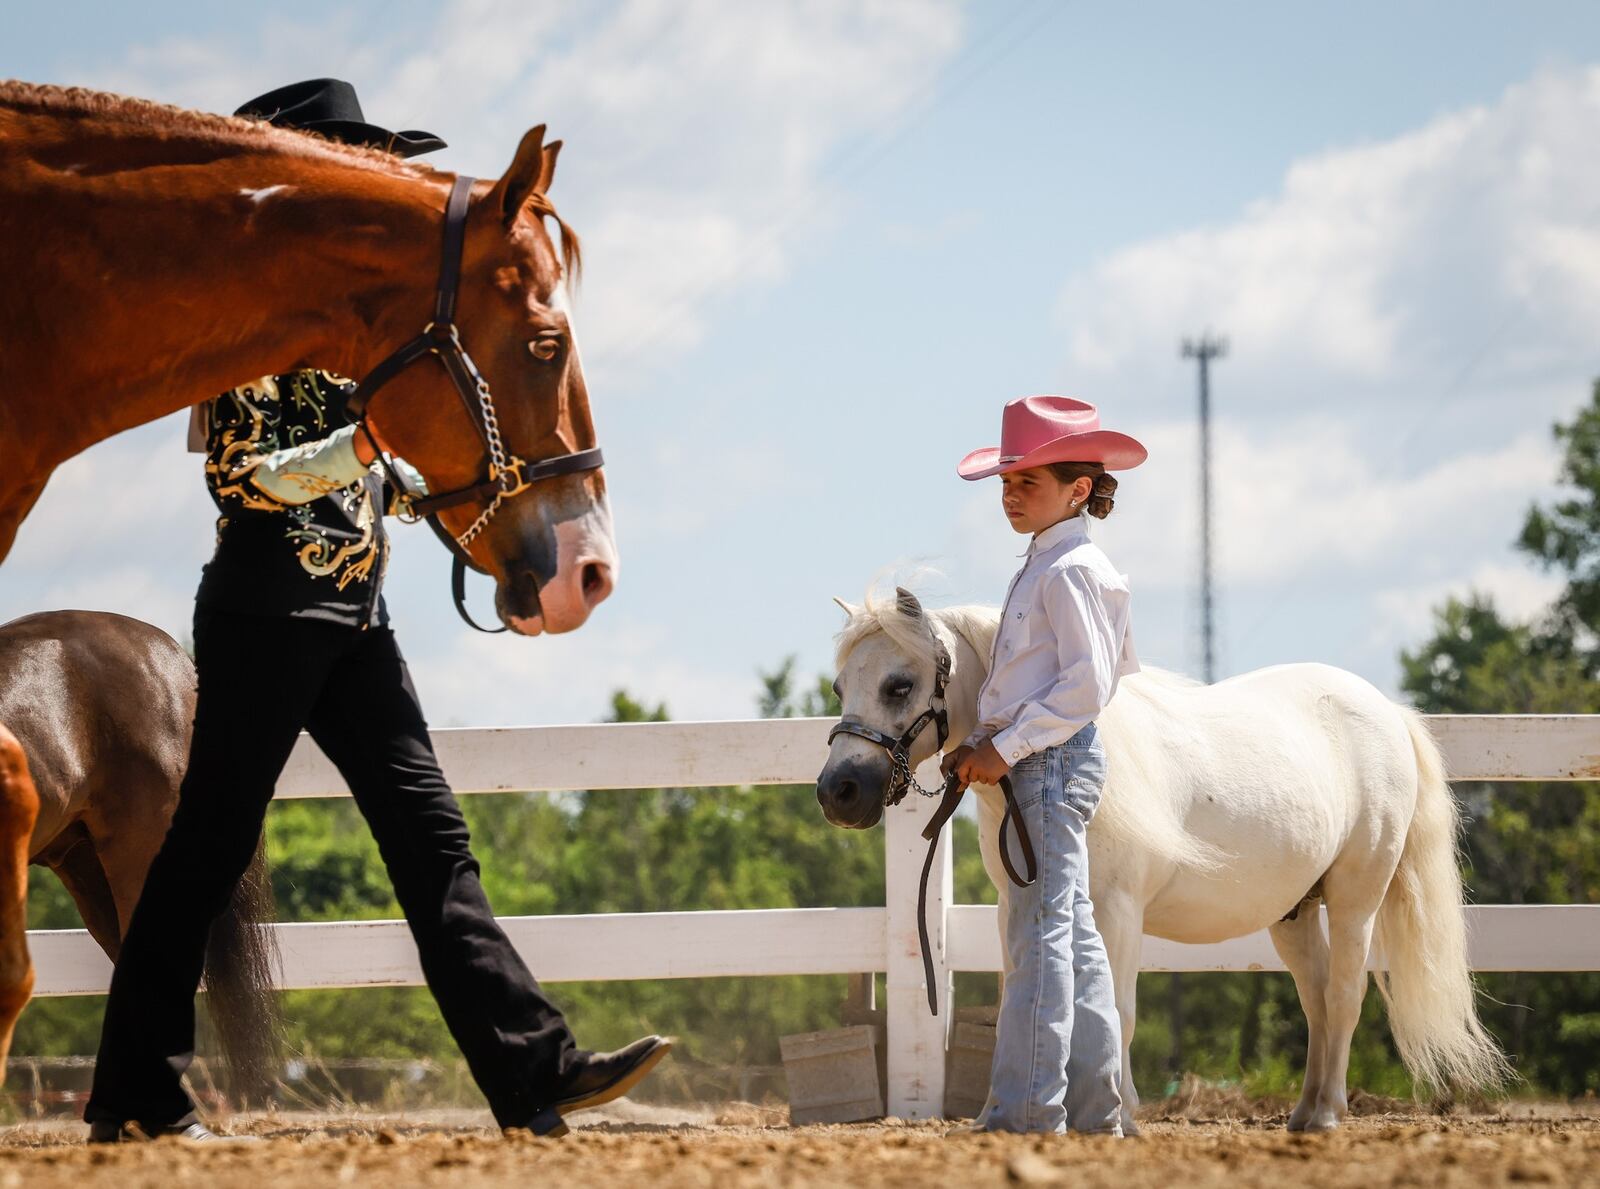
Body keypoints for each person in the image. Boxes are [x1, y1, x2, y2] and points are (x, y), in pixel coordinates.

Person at [85, 79, 668, 1144]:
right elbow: (246, 480)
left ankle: (535, 1073)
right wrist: (363, 450)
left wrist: (422, 487)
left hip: (355, 614)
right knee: (207, 853)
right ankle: (133, 1093)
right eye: (354, 157)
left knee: (432, 839)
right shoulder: (244, 324)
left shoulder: (367, 319)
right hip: (265, 609)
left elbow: (369, 475)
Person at [941, 395, 1145, 1135]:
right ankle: (1095, 1113)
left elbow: (1090, 684)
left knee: (1041, 934)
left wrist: (1006, 743)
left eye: (1027, 480)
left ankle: (1027, 1110)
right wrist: (994, 738)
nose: (1010, 493)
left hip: (1049, 766)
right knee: (1072, 935)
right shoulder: (1055, 565)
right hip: (1046, 761)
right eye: (1007, 481)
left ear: (1079, 488)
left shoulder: (1069, 570)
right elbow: (1073, 675)